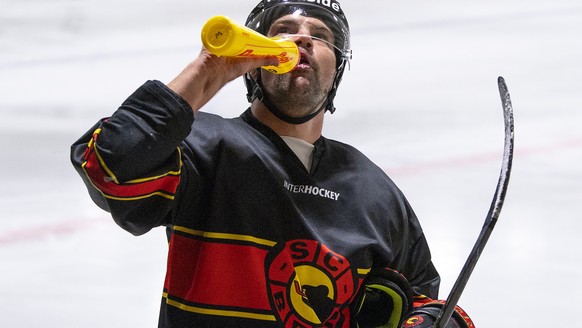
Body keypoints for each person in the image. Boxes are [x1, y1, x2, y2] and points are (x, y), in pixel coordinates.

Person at [70, 0, 474, 327]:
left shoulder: (373, 189)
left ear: (337, 70)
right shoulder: (200, 146)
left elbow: (428, 300)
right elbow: (108, 166)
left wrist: (434, 320)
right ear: (255, 57)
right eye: (282, 31)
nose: (302, 39)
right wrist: (209, 70)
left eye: (321, 36)